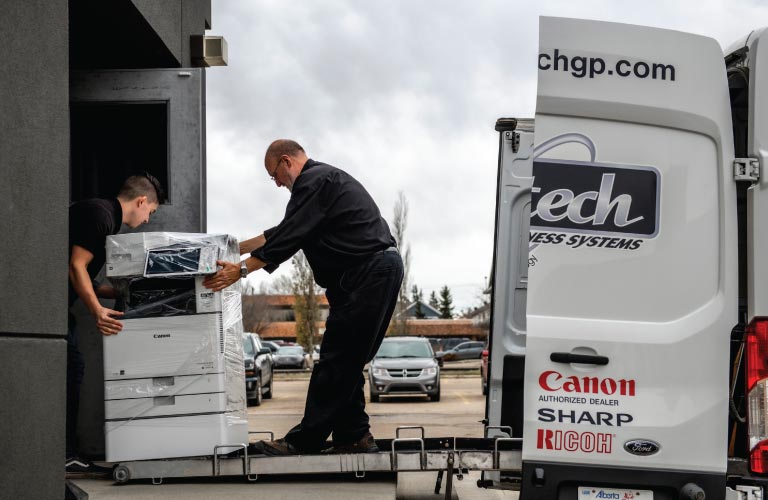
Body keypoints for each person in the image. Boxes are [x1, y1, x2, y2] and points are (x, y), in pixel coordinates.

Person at [204, 139, 403, 455]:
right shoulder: (321, 187)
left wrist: (239, 271)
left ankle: (305, 439)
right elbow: (282, 231)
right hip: (367, 275)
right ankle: (354, 436)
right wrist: (232, 248)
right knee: (347, 360)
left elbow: (290, 236)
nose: (277, 183)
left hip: (368, 274)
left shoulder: (313, 180)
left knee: (337, 360)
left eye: (274, 175)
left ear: (286, 161)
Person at [66, 173, 163, 475]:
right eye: (151, 212)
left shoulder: (102, 214)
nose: (148, 220)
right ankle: (64, 453)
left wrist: (118, 291)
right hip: (40, 305)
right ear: (141, 201)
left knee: (72, 367)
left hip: (53, 305)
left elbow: (83, 273)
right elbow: (75, 265)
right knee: (71, 367)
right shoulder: (101, 215)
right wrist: (97, 310)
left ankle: (65, 451)